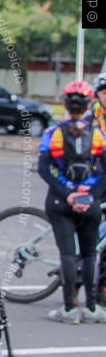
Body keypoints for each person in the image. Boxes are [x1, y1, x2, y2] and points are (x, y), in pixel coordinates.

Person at [37, 80, 106, 323]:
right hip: (90, 203)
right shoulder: (98, 135)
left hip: (60, 202)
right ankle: (92, 308)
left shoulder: (52, 133)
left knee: (67, 254)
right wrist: (90, 196)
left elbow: (44, 170)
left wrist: (68, 194)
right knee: (89, 255)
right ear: (89, 104)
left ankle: (68, 310)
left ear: (65, 104)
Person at [85, 72, 106, 306]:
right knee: (88, 235)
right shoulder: (89, 119)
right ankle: (77, 283)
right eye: (104, 92)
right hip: (91, 181)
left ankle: (102, 287)